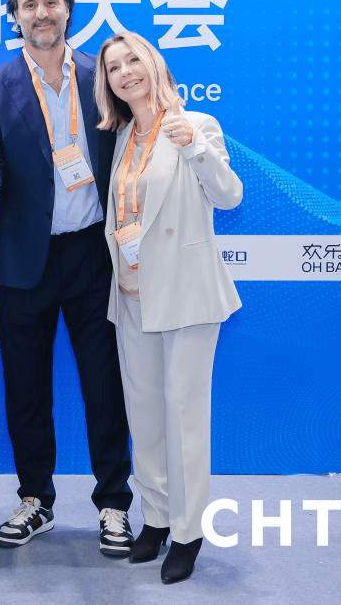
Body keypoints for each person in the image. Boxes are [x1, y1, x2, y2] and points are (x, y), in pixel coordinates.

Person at [0, 0, 135, 556]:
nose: (41, 13)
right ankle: (35, 498)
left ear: (68, 8)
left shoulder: (102, 74)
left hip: (93, 254)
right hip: (22, 259)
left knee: (104, 386)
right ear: (14, 17)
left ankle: (114, 503)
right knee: (26, 389)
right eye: (29, 5)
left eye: (50, 2)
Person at [94, 30, 242, 584]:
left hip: (185, 294)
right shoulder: (121, 137)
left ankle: (187, 531)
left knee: (184, 416)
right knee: (145, 415)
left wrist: (195, 147)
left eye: (133, 60)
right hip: (132, 294)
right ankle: (155, 519)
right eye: (113, 67)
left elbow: (229, 195)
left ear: (154, 64)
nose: (125, 72)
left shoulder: (195, 123)